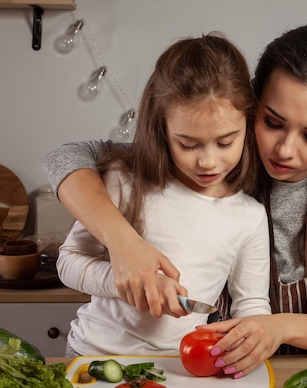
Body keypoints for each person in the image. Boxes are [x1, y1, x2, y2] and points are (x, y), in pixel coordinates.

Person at [43, 23, 307, 378]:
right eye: (272, 122)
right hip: (201, 370)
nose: (285, 150)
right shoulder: (194, 155)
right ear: (249, 107)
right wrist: (123, 244)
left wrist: (277, 328)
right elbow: (67, 156)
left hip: (295, 374)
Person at [54, 33, 271, 358]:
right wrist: (123, 280)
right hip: (92, 354)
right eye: (188, 144)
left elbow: (251, 303)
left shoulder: (249, 217)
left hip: (181, 365)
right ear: (161, 129)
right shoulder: (122, 182)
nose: (208, 161)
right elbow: (68, 260)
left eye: (225, 142)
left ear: (248, 124)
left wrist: (253, 340)